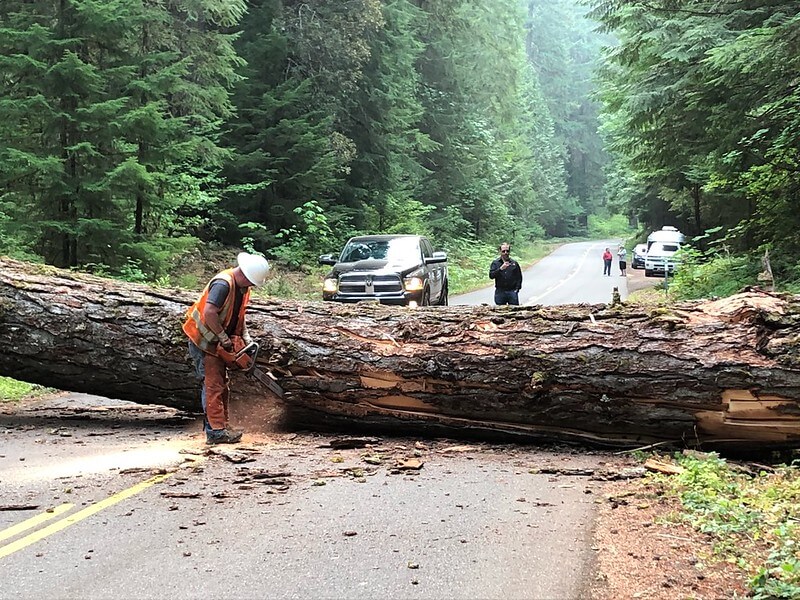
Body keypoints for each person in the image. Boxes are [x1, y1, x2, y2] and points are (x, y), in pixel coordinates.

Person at [183, 252, 270, 444]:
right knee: (212, 384)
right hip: (204, 341)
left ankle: (222, 425)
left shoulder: (242, 289)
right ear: (247, 275)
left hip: (218, 341)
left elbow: (238, 314)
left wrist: (245, 337)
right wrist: (223, 338)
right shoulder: (223, 284)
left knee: (222, 384)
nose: (252, 285)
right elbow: (209, 312)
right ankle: (215, 432)